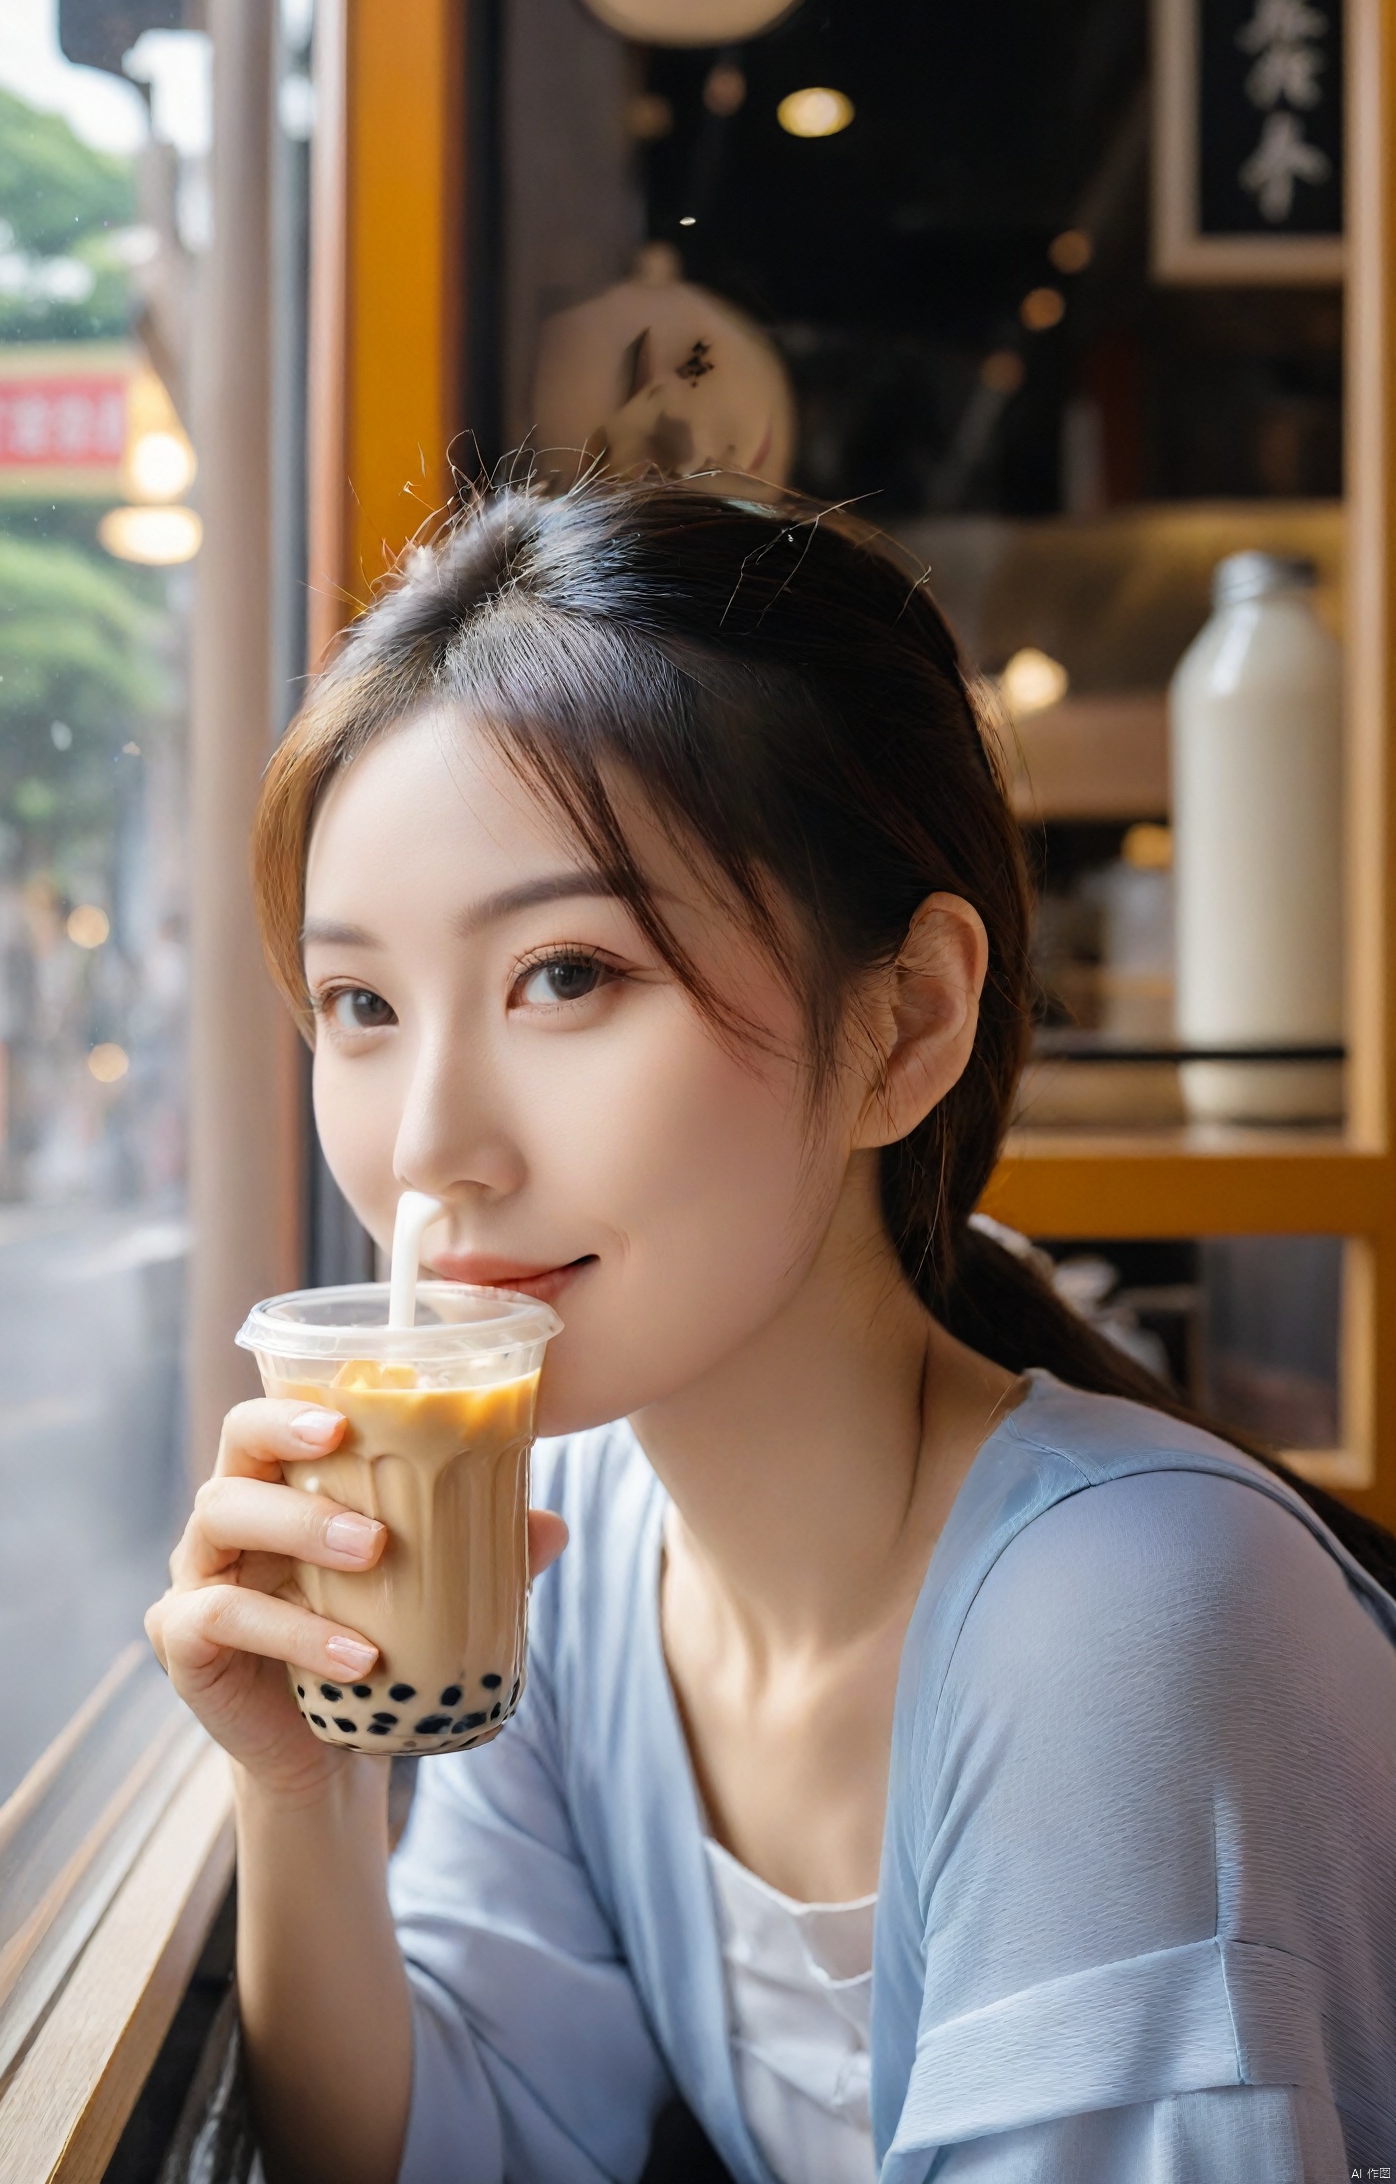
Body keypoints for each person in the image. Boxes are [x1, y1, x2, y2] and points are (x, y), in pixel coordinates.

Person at [146, 482, 1396, 2184]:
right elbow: (469, 2143)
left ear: (905, 1024)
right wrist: (303, 1792)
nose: (430, 1142)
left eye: (568, 975)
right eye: (360, 1004)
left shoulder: (1134, 1624)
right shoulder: (579, 1573)